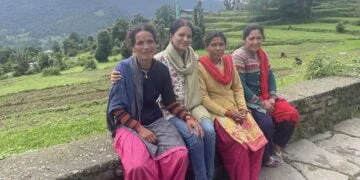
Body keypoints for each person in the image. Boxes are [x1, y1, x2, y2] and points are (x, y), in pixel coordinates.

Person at [111, 19, 216, 180]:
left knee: (179, 155)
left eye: (149, 41)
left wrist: (188, 117)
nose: (145, 47)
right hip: (129, 124)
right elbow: (117, 109)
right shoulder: (123, 69)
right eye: (140, 43)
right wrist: (140, 129)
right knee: (138, 166)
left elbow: (170, 103)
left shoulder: (161, 70)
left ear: (156, 43)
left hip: (155, 120)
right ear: (132, 47)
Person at [198, 31, 267, 180]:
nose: (218, 48)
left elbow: (237, 87)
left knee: (258, 142)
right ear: (206, 47)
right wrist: (228, 113)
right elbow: (204, 98)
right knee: (239, 147)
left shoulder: (229, 62)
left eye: (221, 44)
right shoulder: (200, 67)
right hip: (219, 113)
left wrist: (242, 108)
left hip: (236, 108)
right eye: (213, 45)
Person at [232, 24, 300, 167]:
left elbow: (270, 77)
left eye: (259, 38)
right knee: (266, 123)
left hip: (266, 97)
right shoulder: (238, 56)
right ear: (245, 39)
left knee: (291, 114)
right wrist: (261, 103)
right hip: (248, 101)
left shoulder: (262, 54)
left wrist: (272, 97)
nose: (255, 42)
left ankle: (277, 147)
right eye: (251, 38)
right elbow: (241, 86)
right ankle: (265, 157)